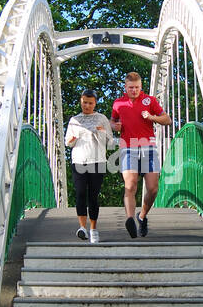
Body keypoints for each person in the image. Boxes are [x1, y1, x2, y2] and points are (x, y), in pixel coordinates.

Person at [111, 71, 171, 238]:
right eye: (131, 88)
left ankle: (142, 216)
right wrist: (115, 126)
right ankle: (130, 219)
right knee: (130, 185)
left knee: (152, 189)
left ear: (141, 86)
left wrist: (152, 117)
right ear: (125, 87)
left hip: (148, 148)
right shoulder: (118, 103)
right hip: (128, 148)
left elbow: (167, 119)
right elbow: (112, 121)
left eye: (137, 87)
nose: (134, 90)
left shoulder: (150, 101)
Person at [64, 89, 112, 242]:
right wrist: (73, 138)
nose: (87, 105)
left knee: (93, 196)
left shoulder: (102, 118)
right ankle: (82, 228)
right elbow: (68, 143)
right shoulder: (74, 120)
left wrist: (102, 132)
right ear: (81, 101)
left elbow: (111, 142)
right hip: (79, 160)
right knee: (80, 194)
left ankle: (93, 229)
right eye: (85, 102)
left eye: (90, 103)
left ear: (95, 103)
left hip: (97, 161)